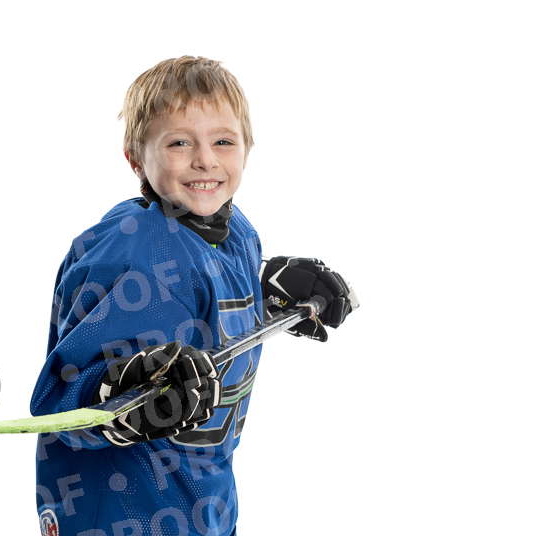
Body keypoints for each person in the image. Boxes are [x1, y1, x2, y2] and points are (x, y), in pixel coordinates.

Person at [30, 55, 357, 536]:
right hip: (122, 514)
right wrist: (125, 389)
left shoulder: (237, 232)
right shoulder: (132, 255)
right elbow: (56, 403)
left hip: (205, 503)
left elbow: (197, 295)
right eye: (179, 142)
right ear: (136, 157)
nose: (205, 159)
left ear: (247, 149)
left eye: (223, 141)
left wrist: (265, 285)